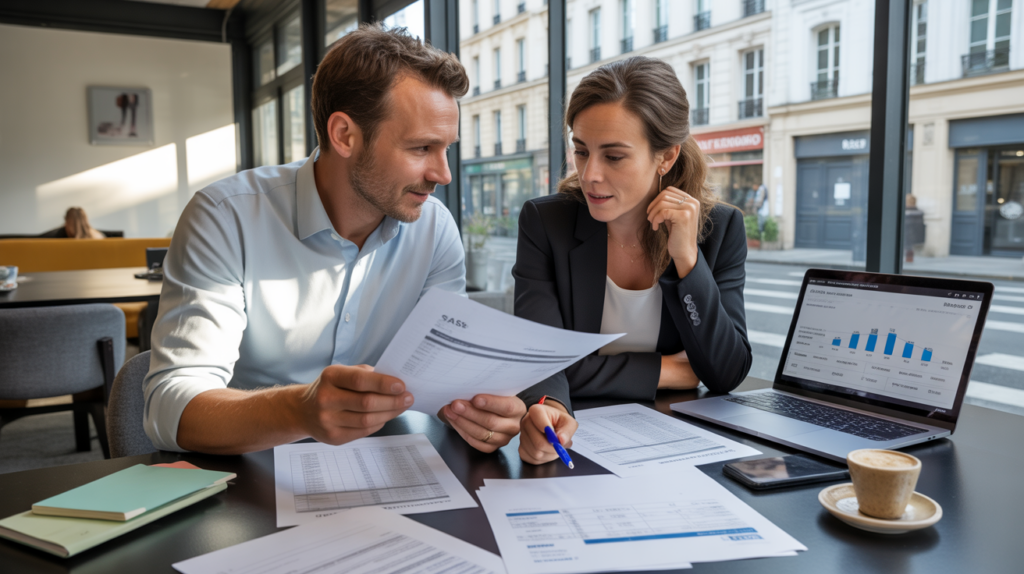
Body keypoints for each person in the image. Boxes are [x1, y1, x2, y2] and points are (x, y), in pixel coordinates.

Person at [142, 25, 575, 464]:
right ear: (345, 135)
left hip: (385, 471)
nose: (442, 174)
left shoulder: (434, 228)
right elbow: (170, 408)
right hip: (248, 477)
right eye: (422, 147)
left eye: (446, 148)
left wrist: (482, 414)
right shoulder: (225, 217)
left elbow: (445, 378)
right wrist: (300, 410)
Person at [512, 56, 752, 401]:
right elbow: (541, 365)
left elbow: (727, 372)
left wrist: (687, 261)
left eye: (613, 157)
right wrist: (667, 370)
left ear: (666, 157)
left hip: (673, 434)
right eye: (581, 151)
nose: (590, 174)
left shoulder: (719, 230)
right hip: (576, 430)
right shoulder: (547, 223)